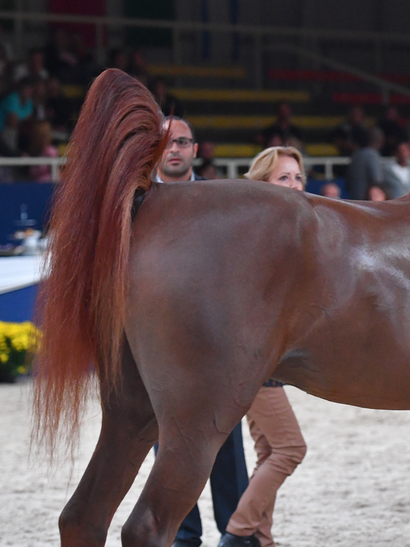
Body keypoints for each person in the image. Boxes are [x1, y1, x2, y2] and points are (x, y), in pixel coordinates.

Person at [153, 118, 251, 547]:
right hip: (157, 339)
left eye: (182, 141)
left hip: (218, 338)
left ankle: (237, 529)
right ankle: (183, 534)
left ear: (195, 149)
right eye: (165, 142)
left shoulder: (220, 200)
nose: (174, 149)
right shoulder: (135, 199)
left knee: (225, 435)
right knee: (168, 442)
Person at [222, 146, 308, 547]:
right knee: (291, 449)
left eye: (298, 177)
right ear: (262, 184)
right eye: (283, 177)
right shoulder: (253, 235)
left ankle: (261, 538)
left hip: (267, 356)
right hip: (251, 359)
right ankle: (238, 534)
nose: (294, 185)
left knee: (269, 451)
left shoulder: (281, 231)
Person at [346, 127, 384, 200]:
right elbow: (377, 180)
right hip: (367, 201)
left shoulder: (355, 154)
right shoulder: (372, 154)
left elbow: (347, 183)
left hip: (354, 199)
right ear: (379, 140)